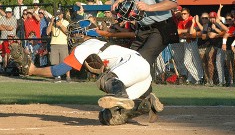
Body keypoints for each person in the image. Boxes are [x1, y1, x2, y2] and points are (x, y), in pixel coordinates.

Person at [11, 19, 163, 125]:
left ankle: (120, 96)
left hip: (132, 65)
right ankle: (147, 103)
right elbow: (139, 73)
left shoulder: (85, 46)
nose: (73, 37)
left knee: (105, 80)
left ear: (84, 35)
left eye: (76, 34)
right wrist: (146, 91)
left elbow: (59, 69)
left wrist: (33, 70)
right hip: (142, 73)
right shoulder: (99, 43)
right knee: (106, 116)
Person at [46, 9, 71, 82]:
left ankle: (68, 77)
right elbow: (47, 32)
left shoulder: (66, 22)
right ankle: (57, 76)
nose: (58, 16)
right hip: (54, 43)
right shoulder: (52, 23)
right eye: (57, 15)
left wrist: (60, 25)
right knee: (54, 61)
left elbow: (67, 32)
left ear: (62, 15)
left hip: (63, 43)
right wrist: (51, 22)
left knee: (65, 61)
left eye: (59, 14)